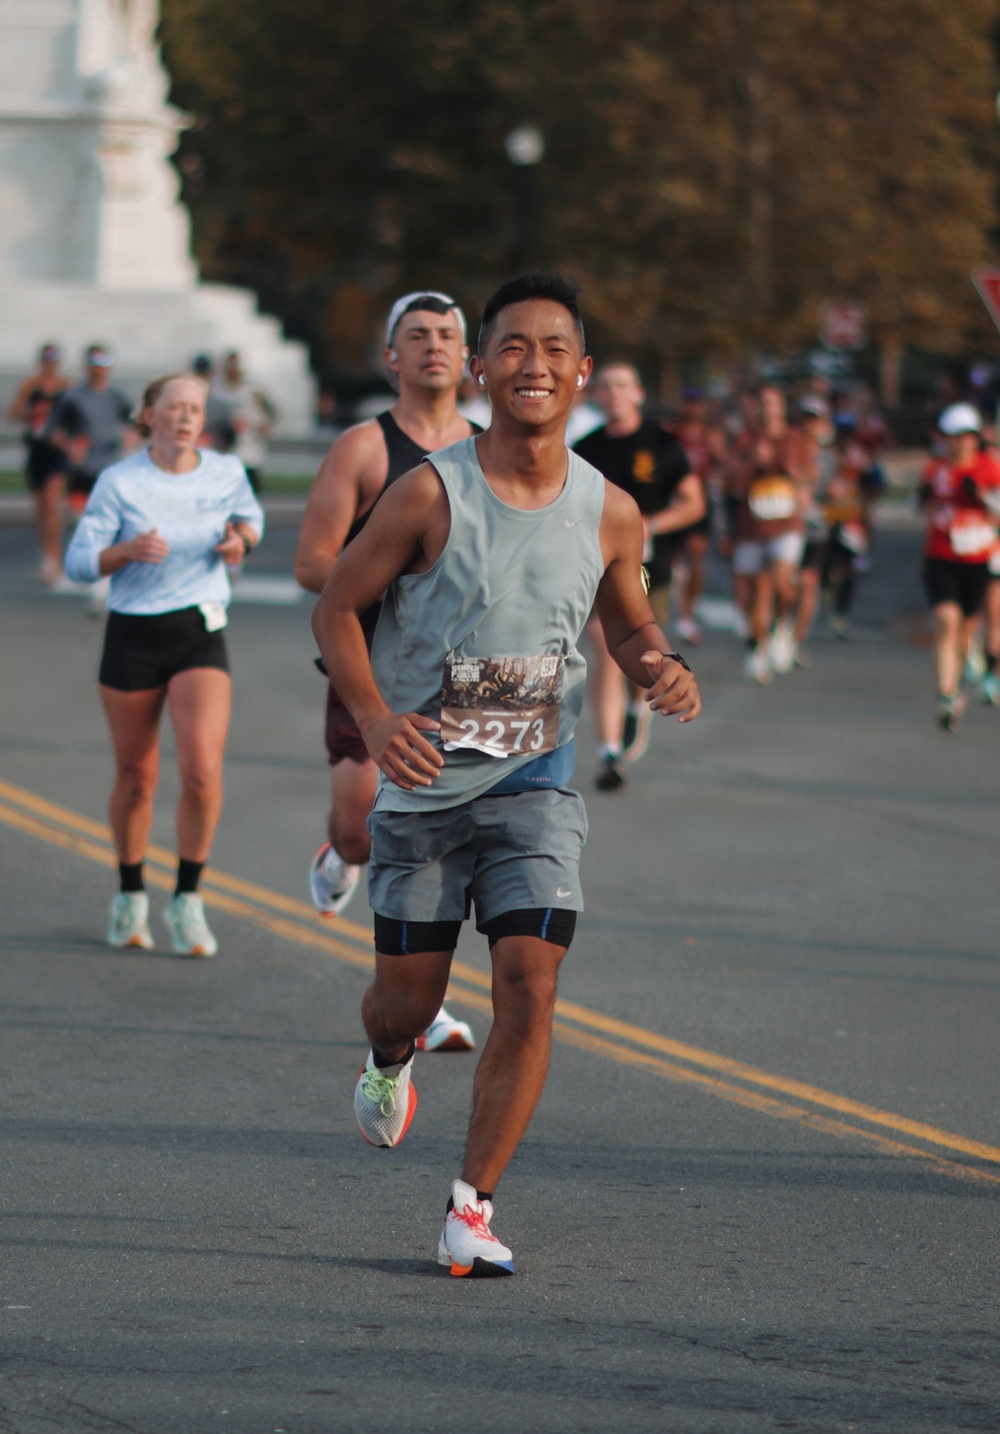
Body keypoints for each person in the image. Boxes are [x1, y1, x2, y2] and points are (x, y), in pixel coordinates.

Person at [311, 273, 702, 1276]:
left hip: (533, 783)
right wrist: (373, 715)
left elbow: (625, 615)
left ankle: (469, 1208)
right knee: (405, 1000)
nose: (534, 365)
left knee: (531, 982)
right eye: (514, 348)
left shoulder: (611, 507)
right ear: (483, 368)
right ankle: (389, 1054)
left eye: (554, 348)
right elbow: (335, 608)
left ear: (580, 370)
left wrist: (657, 662)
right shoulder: (427, 490)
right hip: (425, 789)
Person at [295, 291, 482, 1053]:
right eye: (417, 336)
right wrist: (398, 576)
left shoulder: (489, 451)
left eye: (446, 335)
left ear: (468, 357)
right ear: (391, 357)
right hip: (368, 671)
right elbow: (313, 562)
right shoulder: (363, 448)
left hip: (459, 682)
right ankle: (337, 849)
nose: (433, 347)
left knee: (434, 843)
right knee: (364, 830)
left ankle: (418, 1003)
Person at [64, 373, 264, 953]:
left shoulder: (225, 472)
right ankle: (129, 895)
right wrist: (124, 551)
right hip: (132, 635)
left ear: (203, 420)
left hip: (199, 631)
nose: (184, 416)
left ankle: (188, 900)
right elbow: (80, 563)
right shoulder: (119, 482)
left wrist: (241, 543)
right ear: (148, 416)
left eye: (194, 408)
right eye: (172, 406)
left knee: (201, 770)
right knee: (137, 780)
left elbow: (252, 520)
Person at [573, 363, 704, 790]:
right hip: (597, 567)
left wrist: (651, 524)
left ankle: (636, 708)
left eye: (622, 385)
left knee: (641, 650)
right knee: (605, 648)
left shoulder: (662, 444)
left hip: (650, 568)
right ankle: (609, 751)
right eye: (605, 386)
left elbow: (693, 503)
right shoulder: (582, 448)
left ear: (639, 393)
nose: (613, 393)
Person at [917, 402, 1000, 730]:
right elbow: (918, 506)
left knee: (966, 629)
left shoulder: (988, 468)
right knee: (946, 619)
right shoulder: (934, 469)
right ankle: (946, 694)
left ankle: (959, 682)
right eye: (955, 436)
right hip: (940, 556)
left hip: (976, 559)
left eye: (967, 436)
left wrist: (982, 496)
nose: (961, 443)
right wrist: (921, 496)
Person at [729, 385, 806, 682]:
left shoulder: (794, 439)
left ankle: (783, 627)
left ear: (783, 407)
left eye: (775, 403)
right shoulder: (744, 439)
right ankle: (758, 648)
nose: (769, 409)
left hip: (786, 524)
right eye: (763, 403)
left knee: (781, 581)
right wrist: (752, 463)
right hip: (751, 526)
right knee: (751, 595)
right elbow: (731, 482)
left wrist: (795, 474)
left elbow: (808, 475)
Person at [6, 342, 69, 585]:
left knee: (53, 504)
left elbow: (75, 416)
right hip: (37, 449)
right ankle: (47, 553)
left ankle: (55, 556)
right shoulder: (30, 386)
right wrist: (29, 414)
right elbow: (13, 413)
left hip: (56, 451)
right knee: (41, 506)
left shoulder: (65, 387)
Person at [214, 351, 276, 492]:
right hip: (226, 447)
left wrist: (264, 427)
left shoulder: (254, 390)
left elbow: (272, 413)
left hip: (249, 447)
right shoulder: (217, 390)